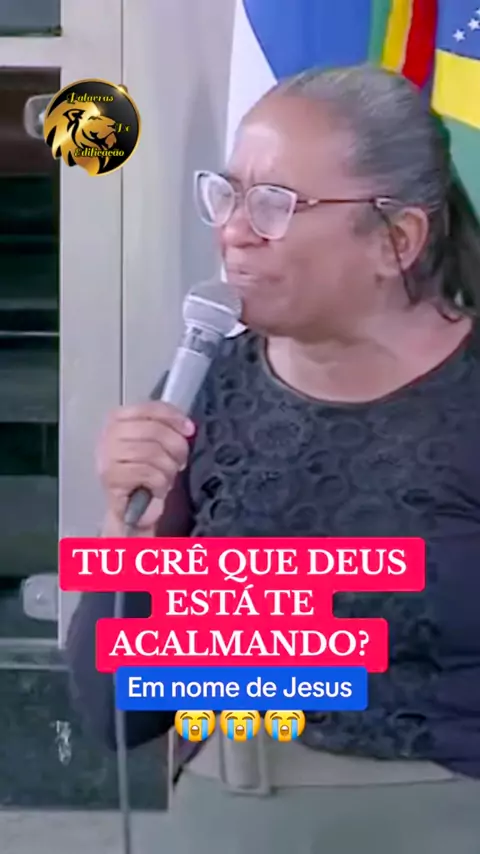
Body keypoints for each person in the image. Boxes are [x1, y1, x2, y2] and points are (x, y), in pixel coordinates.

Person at [66, 64, 480, 853]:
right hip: (225, 811)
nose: (235, 231)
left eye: (275, 204)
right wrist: (129, 539)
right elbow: (117, 713)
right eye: (228, 195)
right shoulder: (204, 389)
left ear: (397, 238)